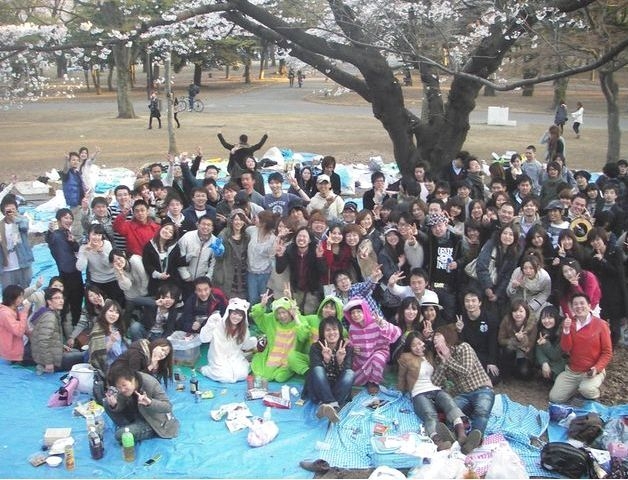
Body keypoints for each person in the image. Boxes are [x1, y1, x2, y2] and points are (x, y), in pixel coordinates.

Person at [397, 332, 471, 452]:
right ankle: (438, 441)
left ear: (423, 343)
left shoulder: (429, 355)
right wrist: (401, 391)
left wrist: (442, 362)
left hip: (435, 389)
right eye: (413, 345)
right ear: (409, 348)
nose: (417, 347)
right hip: (418, 392)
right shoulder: (406, 357)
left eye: (419, 343)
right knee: (429, 414)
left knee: (449, 403)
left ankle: (461, 433)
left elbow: (436, 377)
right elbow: (401, 377)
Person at [432, 329, 493, 454]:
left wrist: (448, 359)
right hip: (463, 395)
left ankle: (474, 439)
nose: (436, 343)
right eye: (434, 342)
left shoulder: (464, 348)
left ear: (447, 339)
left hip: (482, 389)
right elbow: (435, 383)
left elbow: (466, 371)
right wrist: (443, 363)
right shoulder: (439, 359)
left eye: (438, 339)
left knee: (481, 411)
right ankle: (454, 436)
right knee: (451, 409)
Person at [549, 293, 612, 403]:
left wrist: (597, 368)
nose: (579, 306)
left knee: (587, 389)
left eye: (582, 303)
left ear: (589, 306)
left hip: (592, 370)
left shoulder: (601, 324)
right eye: (575, 304)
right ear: (572, 308)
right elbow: (566, 348)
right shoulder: (569, 323)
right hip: (573, 371)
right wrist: (566, 330)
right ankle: (577, 389)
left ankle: (596, 390)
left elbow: (607, 352)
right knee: (555, 398)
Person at [104, 364, 179, 442]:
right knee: (107, 403)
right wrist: (114, 405)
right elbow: (121, 402)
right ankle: (128, 427)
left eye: (124, 385)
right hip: (135, 414)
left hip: (152, 421)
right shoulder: (123, 387)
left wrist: (150, 403)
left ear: (133, 379)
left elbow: (168, 407)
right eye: (119, 387)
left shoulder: (150, 383)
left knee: (120, 435)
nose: (122, 389)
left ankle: (131, 429)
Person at [343, 297, 401, 395]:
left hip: (380, 351)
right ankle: (366, 378)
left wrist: (382, 324)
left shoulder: (376, 321)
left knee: (377, 359)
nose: (355, 315)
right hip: (362, 357)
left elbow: (397, 332)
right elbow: (353, 342)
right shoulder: (352, 328)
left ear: (364, 311)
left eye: (358, 311)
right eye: (353, 313)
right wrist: (352, 346)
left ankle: (373, 382)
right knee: (353, 379)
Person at [249, 293, 311, 382]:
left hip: (289, 359)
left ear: (289, 312)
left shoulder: (298, 320)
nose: (281, 316)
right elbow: (256, 315)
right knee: (265, 375)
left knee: (280, 378)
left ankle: (290, 369)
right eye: (278, 313)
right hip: (274, 358)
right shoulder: (271, 320)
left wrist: (296, 317)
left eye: (284, 312)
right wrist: (262, 305)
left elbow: (304, 335)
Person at [304, 316, 354, 423]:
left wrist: (340, 361)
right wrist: (326, 361)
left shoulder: (347, 348)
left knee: (350, 373)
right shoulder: (316, 347)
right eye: (328, 330)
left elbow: (346, 372)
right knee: (317, 369)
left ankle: (327, 406)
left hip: (338, 388)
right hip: (320, 389)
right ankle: (333, 405)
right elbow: (315, 374)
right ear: (323, 333)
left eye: (335, 329)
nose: (332, 333)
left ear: (339, 331)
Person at [199, 297, 257, 382]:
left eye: (240, 315)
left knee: (242, 375)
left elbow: (245, 346)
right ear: (229, 313)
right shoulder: (218, 324)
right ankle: (205, 370)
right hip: (218, 357)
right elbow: (204, 339)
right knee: (224, 377)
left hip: (234, 357)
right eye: (234, 314)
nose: (236, 317)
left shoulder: (243, 330)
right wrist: (210, 323)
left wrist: (253, 342)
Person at [30, 288, 84, 374]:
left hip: (48, 355)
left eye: (62, 298)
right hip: (51, 361)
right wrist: (48, 363)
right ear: (49, 301)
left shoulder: (49, 313)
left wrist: (61, 346)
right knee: (84, 356)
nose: (61, 301)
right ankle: (43, 367)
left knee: (76, 351)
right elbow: (43, 341)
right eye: (57, 298)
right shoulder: (50, 317)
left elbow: (49, 337)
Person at [45, 208, 84, 328]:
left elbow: (77, 250)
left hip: (75, 271)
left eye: (71, 218)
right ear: (59, 219)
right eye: (66, 217)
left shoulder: (67, 233)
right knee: (69, 300)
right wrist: (49, 231)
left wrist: (73, 242)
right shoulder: (56, 235)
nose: (69, 220)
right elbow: (50, 239)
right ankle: (68, 325)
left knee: (77, 298)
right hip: (67, 273)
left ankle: (74, 324)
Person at [456, 290, 500, 385]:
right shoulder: (460, 319)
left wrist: (491, 361)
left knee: (493, 378)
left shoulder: (490, 318)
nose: (470, 304)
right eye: (467, 301)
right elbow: (461, 344)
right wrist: (459, 331)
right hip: (468, 356)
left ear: (479, 302)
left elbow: (493, 342)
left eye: (473, 301)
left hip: (484, 355)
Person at [142, 221, 186, 297]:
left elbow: (177, 263)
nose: (167, 232)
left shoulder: (174, 247)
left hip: (172, 281)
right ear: (161, 229)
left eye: (170, 232)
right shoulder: (149, 245)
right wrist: (158, 274)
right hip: (155, 281)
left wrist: (189, 256)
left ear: (172, 237)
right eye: (166, 228)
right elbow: (147, 263)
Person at [110, 337, 174, 388]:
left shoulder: (151, 356)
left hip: (129, 379)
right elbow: (134, 377)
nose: (163, 354)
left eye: (165, 354)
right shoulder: (137, 353)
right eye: (162, 349)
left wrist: (154, 368)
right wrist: (151, 366)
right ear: (156, 345)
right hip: (117, 378)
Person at [497, 300, 537, 380]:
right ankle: (507, 372)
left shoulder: (532, 324)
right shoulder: (506, 320)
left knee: (525, 373)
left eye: (521, 311)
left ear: (526, 312)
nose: (518, 314)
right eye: (515, 311)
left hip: (523, 353)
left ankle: (516, 369)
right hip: (510, 348)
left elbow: (530, 344)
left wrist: (522, 339)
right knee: (508, 350)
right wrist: (514, 340)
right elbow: (500, 339)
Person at [0, 194, 34, 288]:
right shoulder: (1, 225)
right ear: (3, 210)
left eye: (13, 208)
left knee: (25, 289)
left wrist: (15, 218)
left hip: (22, 262)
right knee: (8, 291)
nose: (11, 211)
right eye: (8, 209)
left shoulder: (21, 220)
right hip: (7, 266)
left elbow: (24, 227)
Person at [88, 299, 128, 374]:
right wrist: (111, 342)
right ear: (104, 312)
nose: (113, 314)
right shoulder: (97, 329)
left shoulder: (117, 327)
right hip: (107, 366)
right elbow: (97, 355)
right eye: (111, 311)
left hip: (121, 362)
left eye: (117, 312)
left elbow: (123, 348)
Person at [535, 305, 566, 383]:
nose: (546, 321)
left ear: (556, 318)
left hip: (562, 359)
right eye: (543, 318)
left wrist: (545, 343)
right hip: (549, 358)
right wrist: (544, 362)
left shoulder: (562, 331)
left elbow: (555, 356)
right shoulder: (542, 330)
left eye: (550, 318)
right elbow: (538, 348)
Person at [0, 284, 29, 363]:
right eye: (20, 297)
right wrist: (24, 313)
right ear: (11, 298)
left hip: (19, 345)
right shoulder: (5, 314)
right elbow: (19, 332)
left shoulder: (14, 309)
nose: (22, 299)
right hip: (12, 352)